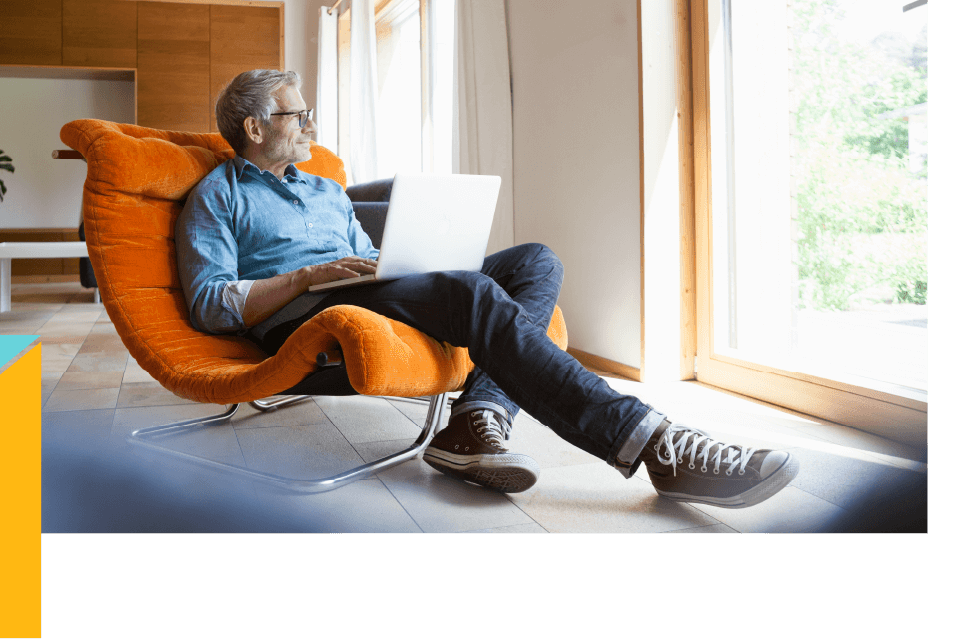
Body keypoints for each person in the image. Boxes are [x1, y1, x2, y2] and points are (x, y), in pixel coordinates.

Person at [175, 69, 799, 508]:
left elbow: (363, 256)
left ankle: (478, 414)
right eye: (296, 113)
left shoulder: (325, 188)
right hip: (304, 312)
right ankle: (657, 445)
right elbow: (210, 303)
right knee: (471, 293)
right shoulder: (219, 195)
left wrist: (388, 263)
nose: (310, 122)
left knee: (534, 261)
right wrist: (307, 276)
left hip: (362, 288)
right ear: (254, 128)